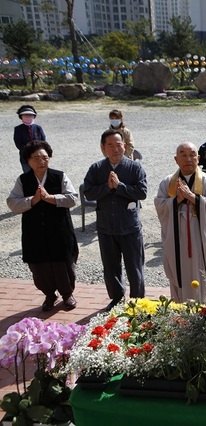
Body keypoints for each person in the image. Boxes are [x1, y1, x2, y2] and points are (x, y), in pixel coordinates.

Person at [7, 141, 79, 311]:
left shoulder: (60, 176)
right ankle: (49, 294)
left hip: (59, 230)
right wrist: (33, 200)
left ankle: (67, 294)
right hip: (34, 232)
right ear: (28, 161)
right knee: (39, 267)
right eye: (36, 158)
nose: (41, 161)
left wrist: (50, 198)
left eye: (45, 157)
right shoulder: (23, 180)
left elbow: (72, 198)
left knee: (62, 263)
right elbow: (12, 202)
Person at [83, 129, 147, 311]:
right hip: (105, 227)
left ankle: (138, 301)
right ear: (103, 148)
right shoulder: (96, 169)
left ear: (125, 146)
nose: (115, 149)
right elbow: (88, 191)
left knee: (134, 266)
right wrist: (107, 187)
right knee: (110, 267)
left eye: (118, 145)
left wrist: (119, 187)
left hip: (129, 226)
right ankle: (117, 298)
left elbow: (141, 193)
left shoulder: (135, 167)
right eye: (110, 145)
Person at [155, 142, 206, 303]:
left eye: (192, 155)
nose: (188, 159)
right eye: (183, 155)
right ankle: (180, 311)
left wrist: (192, 197)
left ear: (198, 158)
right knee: (180, 274)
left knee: (204, 275)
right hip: (177, 239)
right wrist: (177, 199)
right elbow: (159, 205)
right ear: (176, 159)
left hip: (200, 240)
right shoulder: (167, 182)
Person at [14, 105, 46, 173]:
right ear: (21, 117)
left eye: (30, 115)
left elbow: (44, 142)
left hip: (39, 156)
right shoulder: (18, 129)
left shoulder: (38, 128)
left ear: (34, 116)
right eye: (25, 115)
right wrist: (29, 151)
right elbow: (18, 144)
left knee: (40, 174)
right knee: (28, 176)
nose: (28, 117)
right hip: (25, 157)